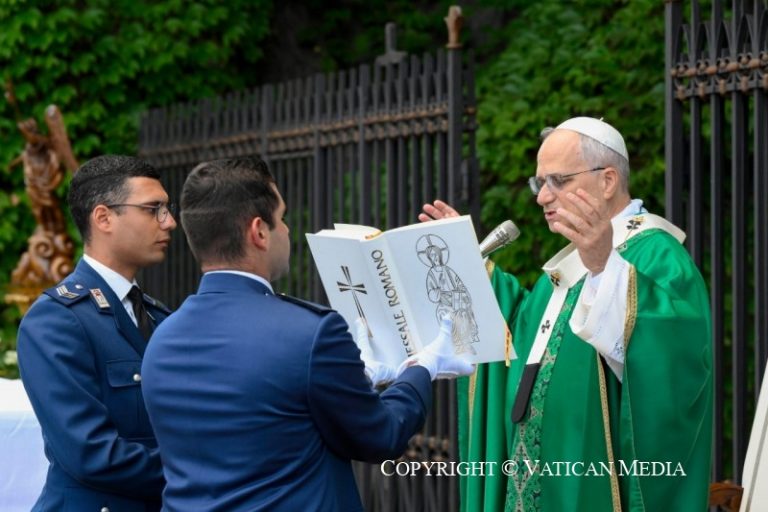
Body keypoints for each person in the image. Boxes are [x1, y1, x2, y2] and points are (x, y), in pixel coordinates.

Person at [140, 156, 474, 512]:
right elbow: (381, 436)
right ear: (259, 232)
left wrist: (357, 377)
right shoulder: (309, 333)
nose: (286, 230)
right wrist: (422, 368)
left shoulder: (161, 338)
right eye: (282, 218)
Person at [420, 117, 712, 511]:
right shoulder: (571, 264)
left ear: (607, 181)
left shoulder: (657, 255)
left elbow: (674, 364)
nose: (543, 197)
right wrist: (468, 270)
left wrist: (606, 268)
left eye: (558, 181)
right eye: (539, 183)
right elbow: (519, 333)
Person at [16, 155, 178, 511]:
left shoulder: (157, 316)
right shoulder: (56, 321)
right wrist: (200, 470)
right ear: (103, 218)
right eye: (153, 209)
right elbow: (91, 454)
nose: (169, 222)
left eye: (167, 209)